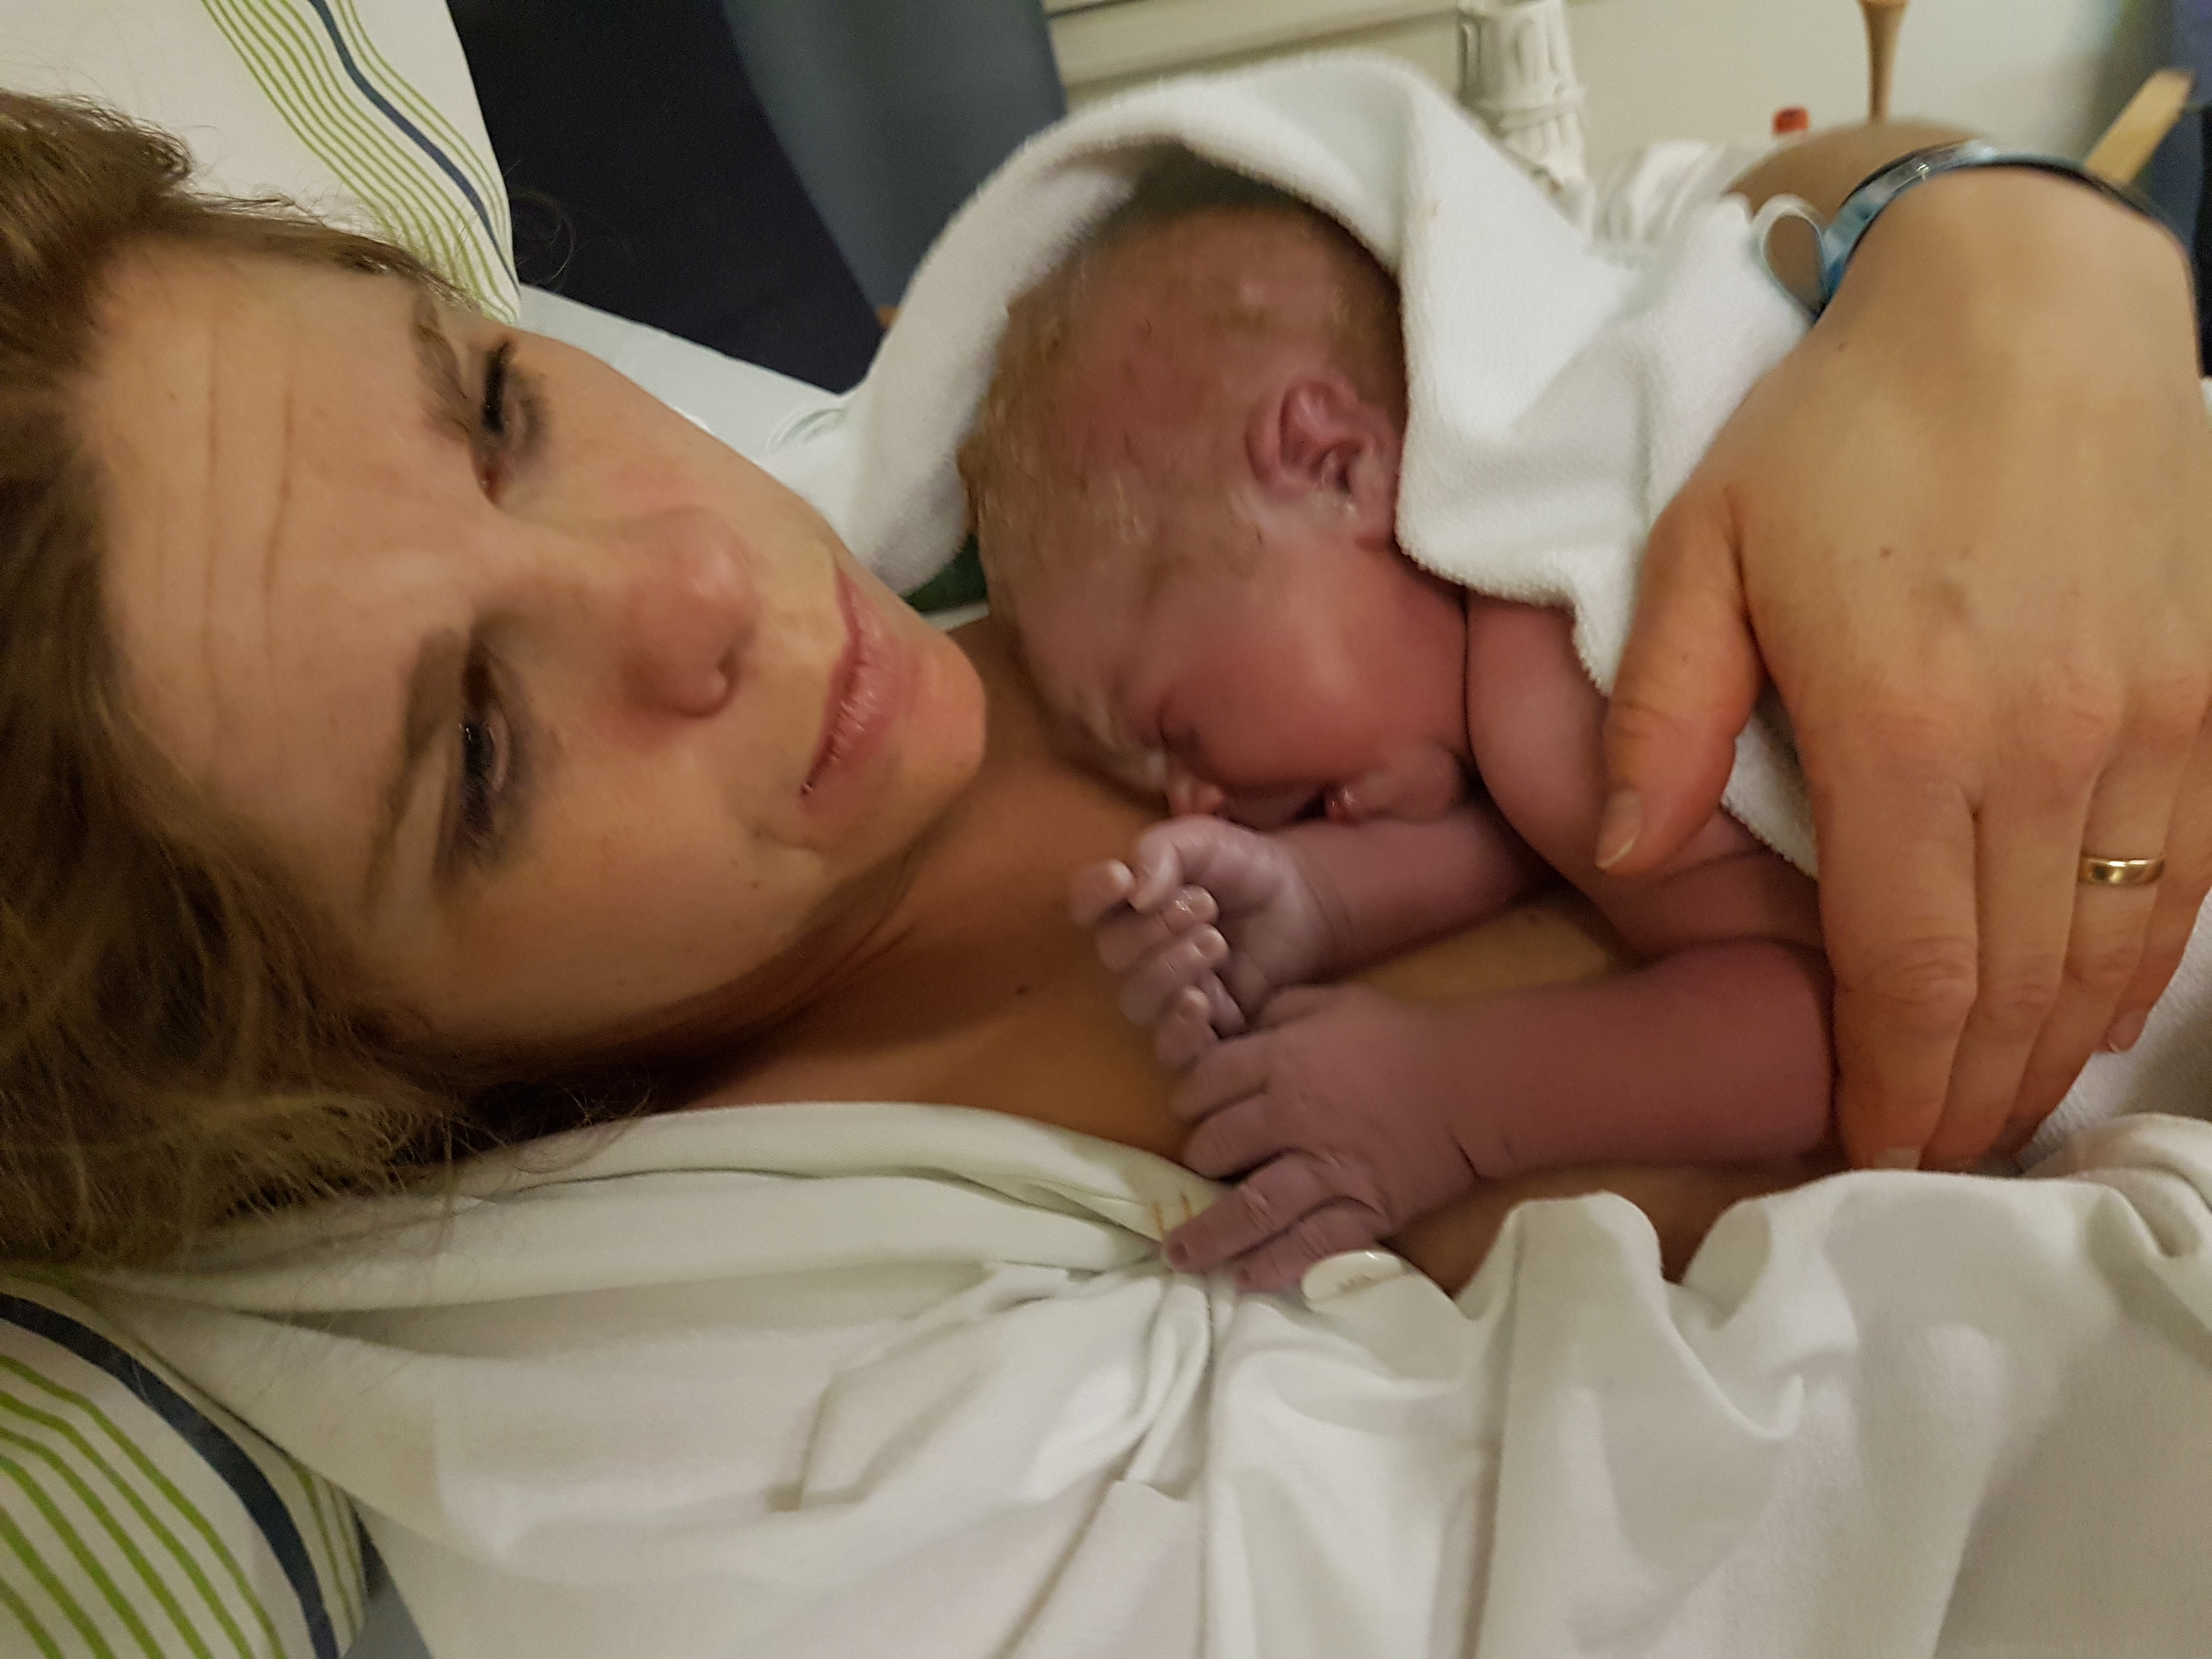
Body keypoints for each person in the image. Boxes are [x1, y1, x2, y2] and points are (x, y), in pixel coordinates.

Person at [0, 85, 2202, 1289]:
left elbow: (1693, 220)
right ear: (332, 1069)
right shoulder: (871, 1337)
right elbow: (1889, 1072)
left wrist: (1999, 256)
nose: (705, 579)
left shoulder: (1107, 487)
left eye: (499, 409)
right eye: (482, 752)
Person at [961, 169, 1835, 1289]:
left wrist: (1451, 1097)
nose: (1187, 798)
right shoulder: (1536, 637)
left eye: (1174, 726)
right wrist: (1325, 899)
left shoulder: (1549, 680)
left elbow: (1849, 1021)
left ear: (1337, 468)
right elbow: (1551, 846)